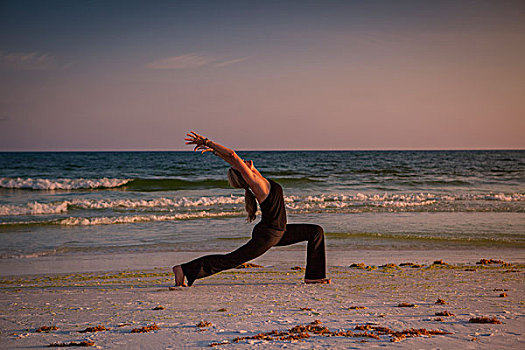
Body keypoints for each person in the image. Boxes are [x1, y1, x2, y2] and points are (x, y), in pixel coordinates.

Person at [172, 131, 330, 286]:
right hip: (269, 235)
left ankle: (313, 277)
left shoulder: (259, 178)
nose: (244, 160)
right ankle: (184, 269)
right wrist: (207, 142)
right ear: (244, 174)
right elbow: (233, 156)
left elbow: (232, 160)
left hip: (278, 232)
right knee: (232, 259)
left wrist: (215, 152)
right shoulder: (257, 184)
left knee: (315, 231)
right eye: (242, 166)